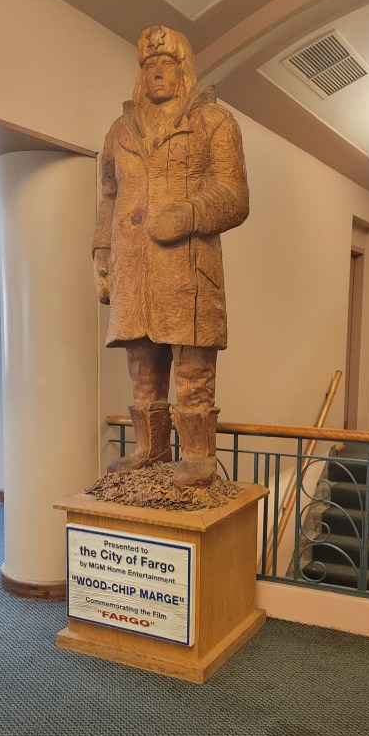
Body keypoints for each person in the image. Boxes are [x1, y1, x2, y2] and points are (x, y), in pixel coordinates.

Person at [92, 25, 249, 487]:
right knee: (142, 368)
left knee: (193, 369)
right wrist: (102, 250)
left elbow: (234, 195)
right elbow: (108, 194)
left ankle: (198, 455)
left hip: (187, 269)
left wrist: (186, 213)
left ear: (184, 70)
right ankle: (151, 448)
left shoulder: (213, 121)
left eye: (167, 63)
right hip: (133, 267)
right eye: (149, 65)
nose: (158, 72)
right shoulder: (119, 130)